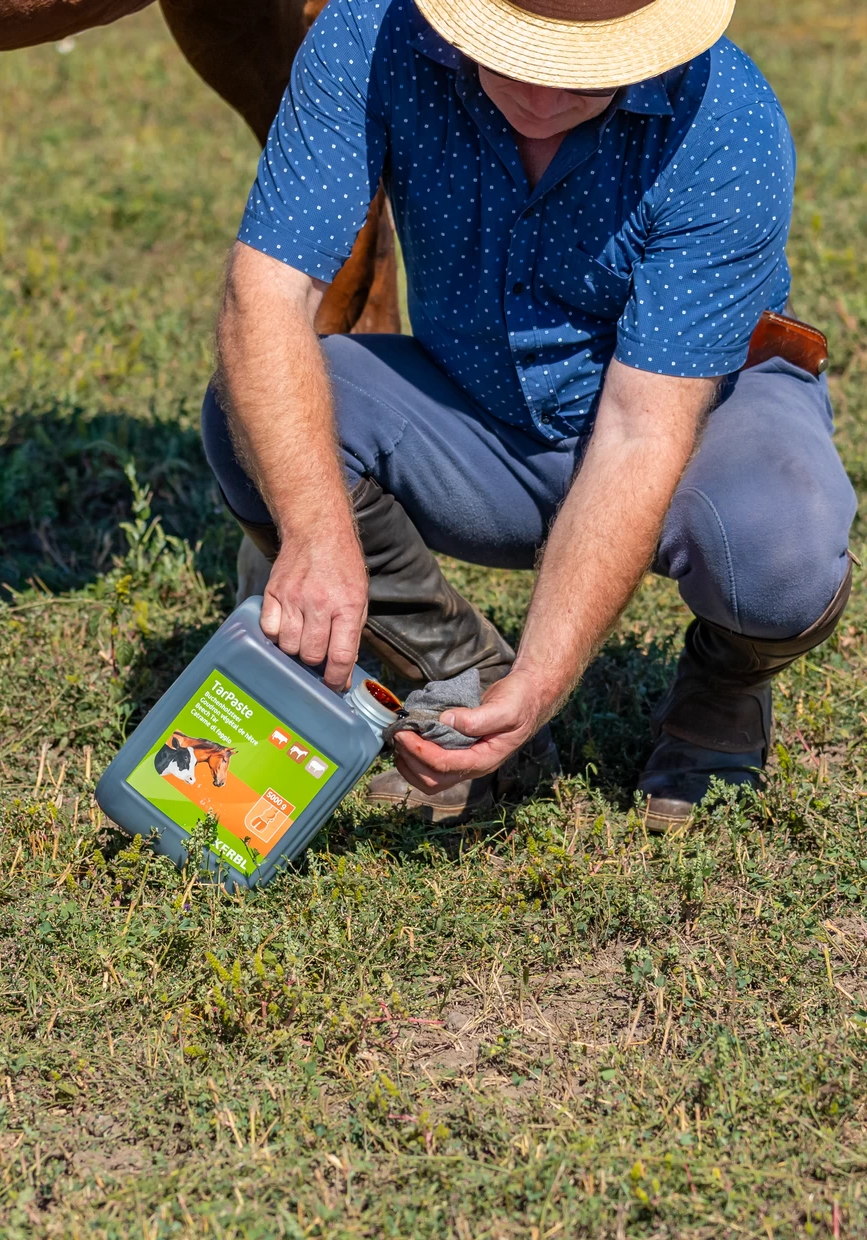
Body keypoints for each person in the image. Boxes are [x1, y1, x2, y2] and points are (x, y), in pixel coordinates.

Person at [200, 0, 857, 831]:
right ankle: (463, 679)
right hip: (481, 408)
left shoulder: (726, 119)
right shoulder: (370, 35)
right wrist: (316, 531)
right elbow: (264, 295)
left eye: (583, 74)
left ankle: (725, 687)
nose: (542, 100)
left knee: (779, 551)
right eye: (512, 56)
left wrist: (543, 681)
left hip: (691, 419)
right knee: (253, 419)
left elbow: (641, 429)